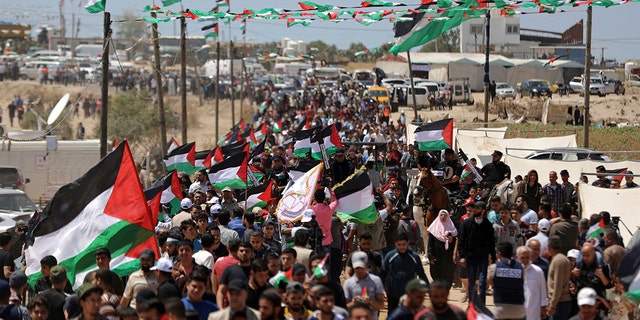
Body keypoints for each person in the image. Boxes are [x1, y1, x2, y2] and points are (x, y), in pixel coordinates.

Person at [458, 200, 496, 305]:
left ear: (483, 211)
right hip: (470, 257)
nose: (474, 210)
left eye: (477, 209)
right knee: (471, 283)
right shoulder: (466, 223)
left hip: (483, 258)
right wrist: (462, 256)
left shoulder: (488, 225)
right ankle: (472, 304)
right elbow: (461, 240)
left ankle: (481, 305)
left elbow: (491, 243)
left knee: (483, 282)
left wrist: (493, 258)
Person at [381, 233, 429, 313]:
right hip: (393, 293)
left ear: (408, 243)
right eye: (399, 244)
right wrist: (381, 288)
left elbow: (421, 273)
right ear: (395, 244)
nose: (401, 247)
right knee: (393, 314)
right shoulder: (390, 256)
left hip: (410, 294)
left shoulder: (414, 257)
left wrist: (427, 287)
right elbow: (383, 273)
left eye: (404, 244)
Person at [488, 242, 526, 320]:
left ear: (498, 254)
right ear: (512, 254)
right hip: (519, 310)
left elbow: (490, 282)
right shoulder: (521, 268)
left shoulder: (494, 268)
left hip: (500, 309)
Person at [343, 252, 385, 320]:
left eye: (361, 267)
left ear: (366, 265)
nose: (359, 270)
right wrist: (353, 302)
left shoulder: (376, 281)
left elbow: (381, 305)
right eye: (357, 268)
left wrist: (370, 302)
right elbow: (344, 307)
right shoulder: (348, 283)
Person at [427, 210, 457, 288]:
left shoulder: (452, 229)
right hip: (437, 257)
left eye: (445, 215)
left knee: (448, 274)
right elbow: (430, 244)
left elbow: (456, 242)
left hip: (448, 257)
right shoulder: (434, 229)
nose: (443, 217)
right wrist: (430, 256)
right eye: (441, 215)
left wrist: (451, 240)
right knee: (436, 274)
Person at [516, 246, 548, 320]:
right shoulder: (514, 271)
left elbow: (542, 290)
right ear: (517, 257)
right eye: (522, 258)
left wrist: (543, 308)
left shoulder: (538, 271)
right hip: (517, 310)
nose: (525, 260)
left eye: (527, 257)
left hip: (533, 311)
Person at [547, 236, 572, 320]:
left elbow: (558, 284)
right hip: (559, 302)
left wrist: (552, 304)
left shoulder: (558, 261)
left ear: (549, 247)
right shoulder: (562, 259)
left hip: (559, 303)